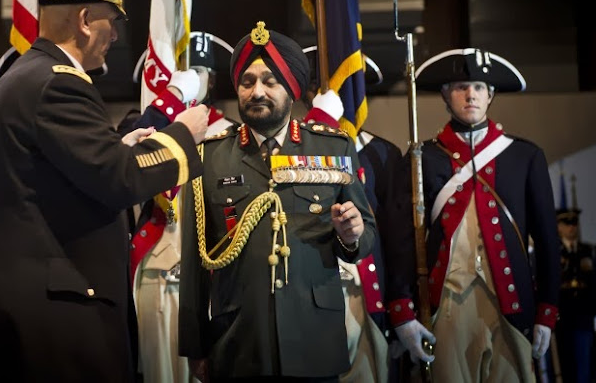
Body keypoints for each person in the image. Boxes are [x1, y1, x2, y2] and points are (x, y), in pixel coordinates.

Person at [0, 0, 209, 383]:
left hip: (29, 306)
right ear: (86, 20)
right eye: (113, 21)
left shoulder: (24, 76)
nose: (116, 36)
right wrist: (183, 134)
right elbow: (120, 180)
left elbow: (52, 173)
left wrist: (117, 148)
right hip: (55, 312)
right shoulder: (59, 83)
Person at [179, 21, 377, 382]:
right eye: (247, 82)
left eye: (270, 81)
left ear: (291, 88)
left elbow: (366, 237)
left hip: (314, 339)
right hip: (238, 342)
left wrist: (351, 235)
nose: (257, 91)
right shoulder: (209, 156)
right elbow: (194, 261)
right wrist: (195, 345)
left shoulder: (333, 147)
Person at [380, 48, 561, 382]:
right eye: (461, 87)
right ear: (446, 96)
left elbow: (548, 241)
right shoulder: (422, 158)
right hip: (447, 305)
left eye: (479, 87)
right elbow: (401, 242)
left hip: (512, 305)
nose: (471, 95)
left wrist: (547, 310)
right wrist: (402, 310)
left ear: (490, 94)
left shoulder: (525, 157)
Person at [127, 30, 235, 383]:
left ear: (213, 80)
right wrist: (171, 102)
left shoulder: (233, 134)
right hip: (158, 269)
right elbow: (128, 166)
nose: (192, 78)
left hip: (213, 272)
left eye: (200, 72)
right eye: (182, 72)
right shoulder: (143, 127)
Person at [301, 49, 398, 382]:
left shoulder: (382, 153)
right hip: (310, 294)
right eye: (319, 85)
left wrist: (402, 309)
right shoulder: (286, 150)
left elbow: (395, 238)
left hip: (366, 295)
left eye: (345, 84)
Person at [556, 203, 596, 382]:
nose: (571, 227)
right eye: (566, 223)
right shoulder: (554, 252)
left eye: (574, 223)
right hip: (563, 313)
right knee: (566, 361)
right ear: (559, 227)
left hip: (584, 311)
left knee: (586, 362)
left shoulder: (587, 251)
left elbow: (595, 282)